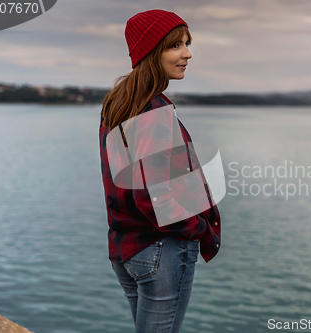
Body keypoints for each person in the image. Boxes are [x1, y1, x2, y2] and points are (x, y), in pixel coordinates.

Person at [98, 9, 221, 333]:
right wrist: (198, 229)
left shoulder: (120, 102)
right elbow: (155, 197)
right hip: (161, 250)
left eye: (186, 43)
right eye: (175, 45)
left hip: (127, 248)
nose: (187, 53)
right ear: (151, 52)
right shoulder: (154, 110)